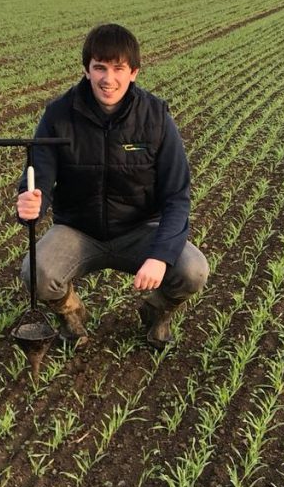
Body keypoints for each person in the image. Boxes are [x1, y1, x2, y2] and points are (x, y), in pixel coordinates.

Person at [16, 23, 208, 348]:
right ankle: (71, 315)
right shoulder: (58, 115)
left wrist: (160, 256)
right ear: (86, 69)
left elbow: (177, 195)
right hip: (78, 230)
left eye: (118, 68)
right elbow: (40, 179)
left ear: (133, 72)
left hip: (139, 229)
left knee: (192, 270)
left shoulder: (155, 117)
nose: (108, 79)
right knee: (37, 271)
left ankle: (156, 313)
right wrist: (31, 204)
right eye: (99, 68)